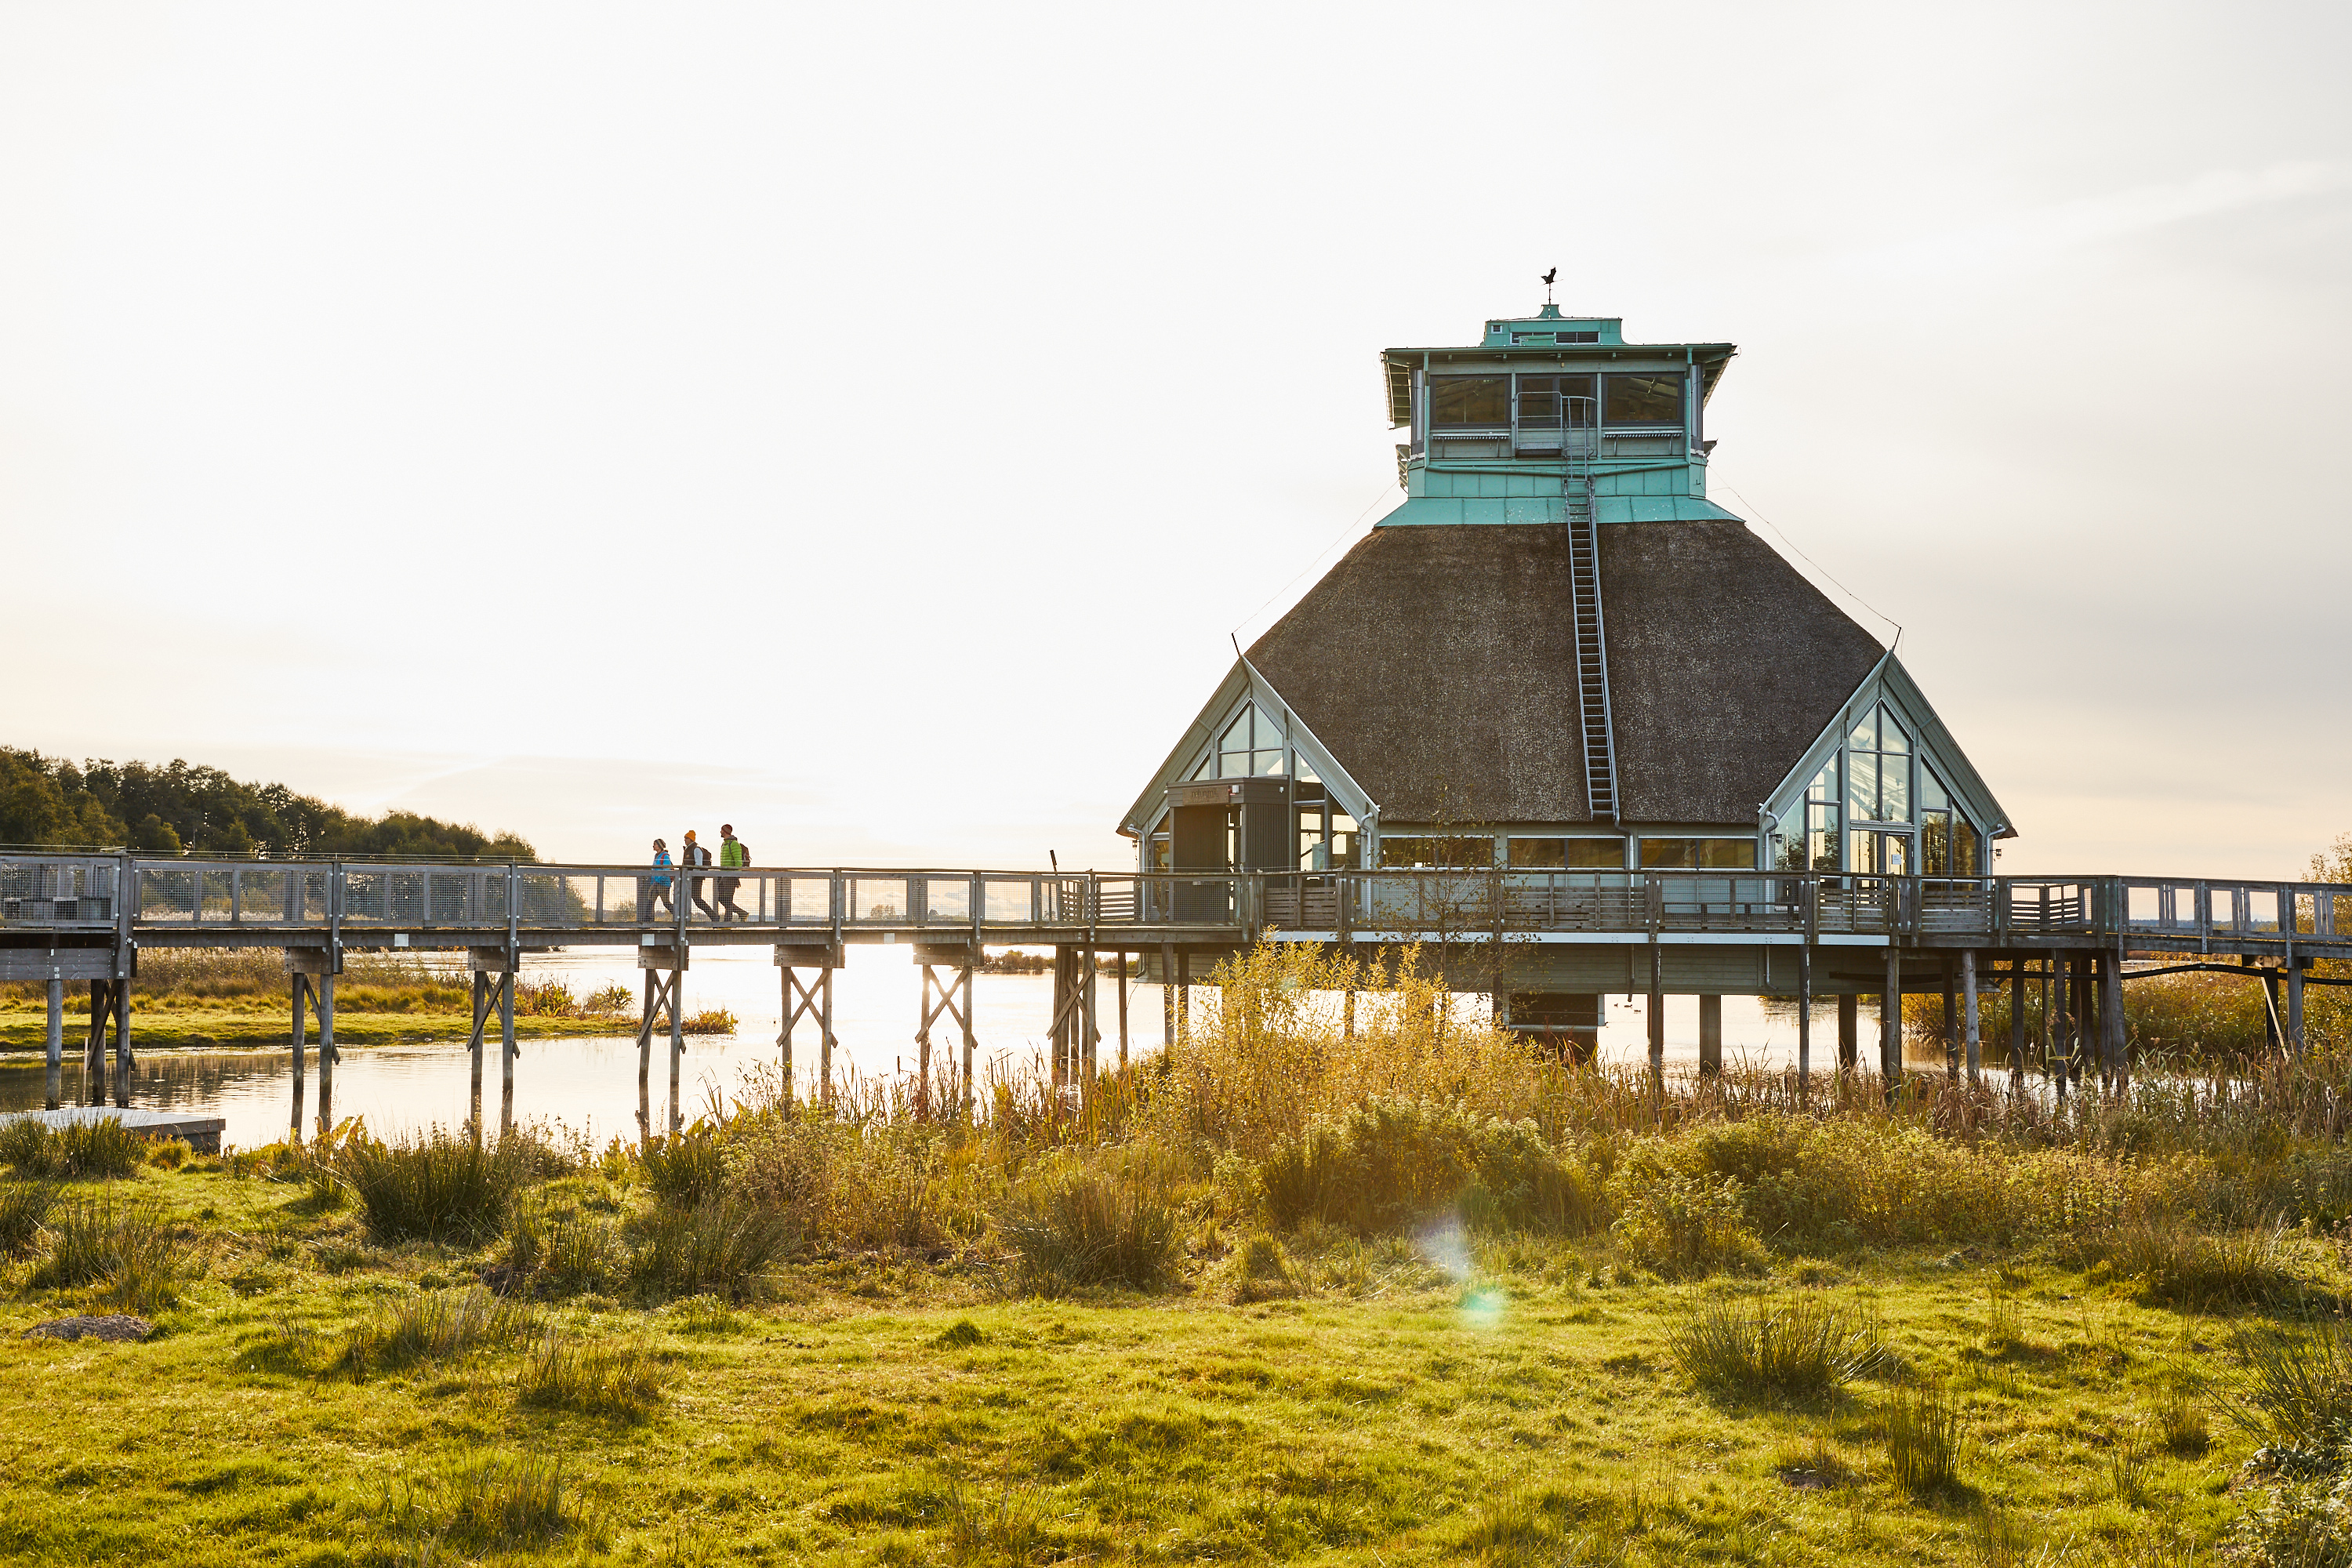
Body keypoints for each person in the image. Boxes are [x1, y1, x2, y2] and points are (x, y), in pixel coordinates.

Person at [715, 823, 751, 921]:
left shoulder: (734, 844)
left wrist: (735, 875)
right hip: (723, 875)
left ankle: (728, 922)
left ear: (725, 831)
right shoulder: (724, 844)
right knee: (721, 898)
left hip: (731, 876)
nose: (720, 832)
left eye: (721, 830)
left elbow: (738, 862)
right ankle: (741, 913)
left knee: (727, 899)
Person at [681, 829, 718, 920]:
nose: (685, 840)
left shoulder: (696, 849)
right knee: (684, 898)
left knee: (697, 899)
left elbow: (698, 864)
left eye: (686, 838)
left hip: (696, 878)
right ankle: (682, 919)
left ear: (691, 839)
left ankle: (714, 917)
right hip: (689, 878)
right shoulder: (687, 850)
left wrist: (690, 874)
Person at [645, 838, 673, 917]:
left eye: (655, 844)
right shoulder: (657, 856)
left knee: (666, 903)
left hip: (663, 884)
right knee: (650, 902)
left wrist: (657, 880)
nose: (653, 846)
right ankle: (647, 922)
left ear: (660, 846)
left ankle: (678, 917)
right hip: (655, 883)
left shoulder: (665, 856)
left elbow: (666, 870)